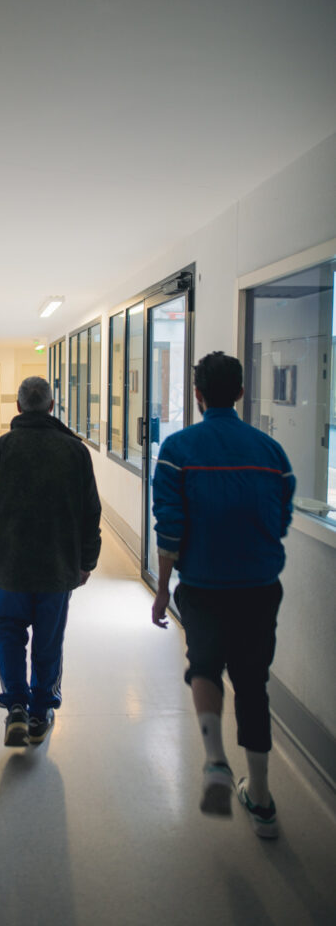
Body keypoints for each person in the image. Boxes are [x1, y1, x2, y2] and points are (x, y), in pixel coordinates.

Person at [151, 352, 294, 838]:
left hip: (204, 586)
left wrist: (161, 590)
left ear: (197, 394)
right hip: (259, 586)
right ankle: (261, 798)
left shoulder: (178, 450)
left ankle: (214, 759)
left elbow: (170, 528)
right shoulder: (271, 453)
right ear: (238, 393)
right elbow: (281, 520)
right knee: (253, 683)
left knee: (205, 667)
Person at [0, 376, 102, 747]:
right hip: (58, 566)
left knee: (9, 631)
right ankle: (41, 711)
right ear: (52, 407)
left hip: (11, 564)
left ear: (18, 406)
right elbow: (91, 512)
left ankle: (15, 707)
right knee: (48, 637)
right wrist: (87, 560)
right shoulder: (75, 452)